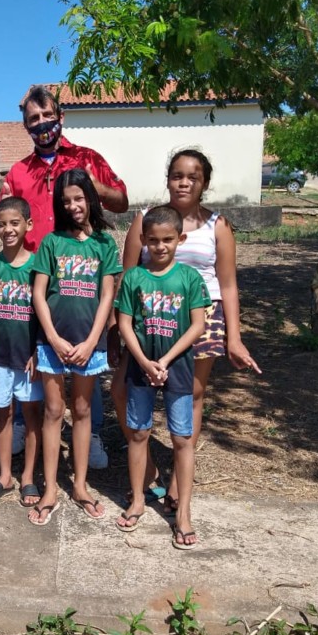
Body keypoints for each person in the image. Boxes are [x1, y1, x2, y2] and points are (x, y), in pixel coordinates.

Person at [115, 147, 262, 516]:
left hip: (201, 317)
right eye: (177, 175)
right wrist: (117, 332)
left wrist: (235, 336)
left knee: (192, 396)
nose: (184, 182)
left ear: (204, 183)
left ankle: (180, 480)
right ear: (168, 180)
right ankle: (145, 464)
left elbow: (228, 285)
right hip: (150, 318)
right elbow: (127, 275)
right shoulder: (146, 220)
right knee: (123, 389)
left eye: (193, 177)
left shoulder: (219, 226)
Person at [0, 84, 130, 468]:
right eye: (33, 119)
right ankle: (25, 421)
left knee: (88, 356)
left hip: (82, 277)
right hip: (33, 279)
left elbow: (121, 199)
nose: (42, 124)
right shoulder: (20, 171)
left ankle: (93, 433)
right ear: (25, 126)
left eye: (47, 116)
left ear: (61, 117)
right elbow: (0, 212)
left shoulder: (87, 157)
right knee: (34, 354)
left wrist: (90, 184)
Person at [28, 169, 121, 525]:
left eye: (79, 198)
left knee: (82, 411)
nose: (73, 206)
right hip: (53, 343)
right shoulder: (52, 242)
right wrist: (52, 337)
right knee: (53, 412)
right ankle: (50, 487)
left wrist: (91, 340)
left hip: (89, 345)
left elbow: (107, 295)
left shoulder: (104, 244)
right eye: (66, 201)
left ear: (90, 199)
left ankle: (80, 485)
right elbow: (38, 293)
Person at [115, 206, 211, 548]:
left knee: (183, 439)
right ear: (142, 240)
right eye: (152, 240)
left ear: (180, 239)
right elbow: (125, 323)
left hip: (179, 369)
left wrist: (165, 360)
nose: (160, 247)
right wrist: (143, 360)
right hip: (140, 370)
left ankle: (183, 512)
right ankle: (138, 499)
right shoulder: (134, 278)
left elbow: (198, 324)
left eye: (168, 240)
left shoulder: (189, 278)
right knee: (139, 433)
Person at [0, 197, 43, 506]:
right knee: (3, 414)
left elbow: (45, 312)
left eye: (14, 223)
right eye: (1, 224)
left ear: (28, 225)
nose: (8, 229)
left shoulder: (39, 265)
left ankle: (28, 476)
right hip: (0, 357)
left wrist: (38, 350)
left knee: (31, 416)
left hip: (29, 357)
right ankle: (4, 475)